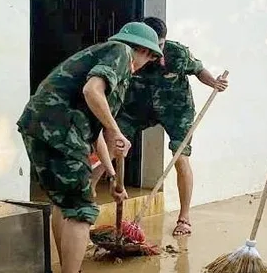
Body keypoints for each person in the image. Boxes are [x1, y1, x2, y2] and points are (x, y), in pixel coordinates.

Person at [17, 21, 163, 273]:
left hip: (45, 128)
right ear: (144, 51)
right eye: (149, 58)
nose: (145, 65)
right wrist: (116, 131)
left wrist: (113, 176)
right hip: (59, 131)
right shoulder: (120, 52)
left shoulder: (104, 56)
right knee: (82, 209)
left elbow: (94, 130)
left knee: (64, 204)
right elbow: (92, 91)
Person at [87, 17, 229, 236]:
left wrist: (214, 83)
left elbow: (198, 69)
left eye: (160, 45)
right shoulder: (128, 53)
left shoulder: (178, 53)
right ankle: (88, 196)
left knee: (181, 157)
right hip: (137, 107)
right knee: (112, 144)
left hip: (176, 109)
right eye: (151, 47)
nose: (156, 52)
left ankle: (184, 218)